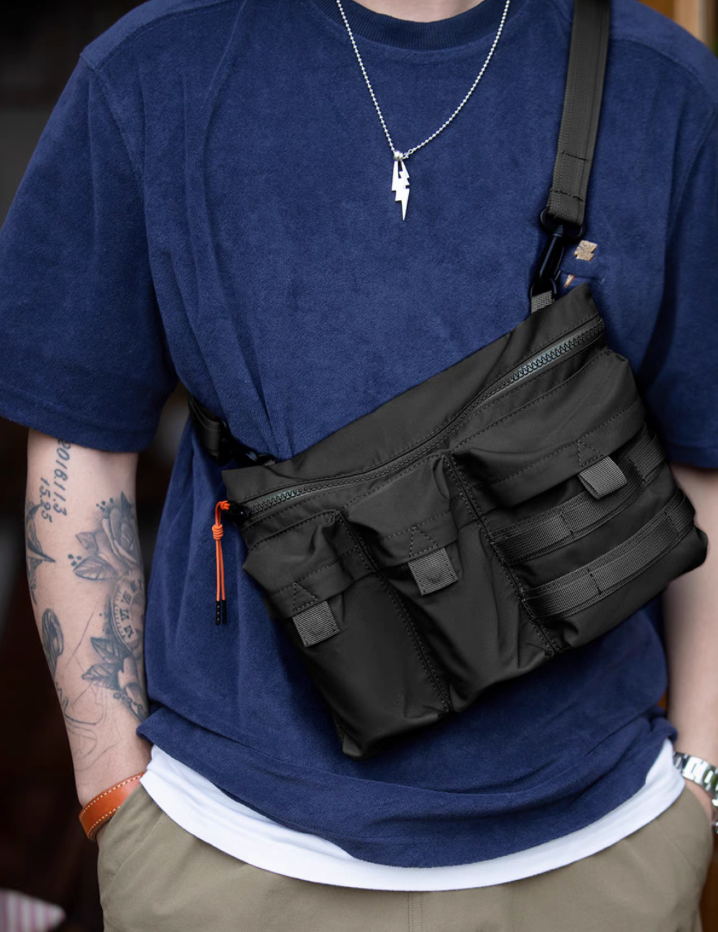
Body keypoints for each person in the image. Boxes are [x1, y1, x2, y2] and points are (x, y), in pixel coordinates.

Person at [1, 0, 718, 928]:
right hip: (226, 850)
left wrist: (698, 784)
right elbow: (79, 449)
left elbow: (707, 461)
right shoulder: (155, 69)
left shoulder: (660, 82)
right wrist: (112, 793)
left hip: (600, 851)